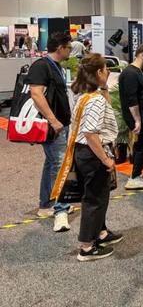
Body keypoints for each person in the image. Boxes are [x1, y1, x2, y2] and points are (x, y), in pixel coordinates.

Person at [70, 54, 123, 261]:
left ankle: (100, 232)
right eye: (105, 69)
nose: (108, 72)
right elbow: (90, 133)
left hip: (85, 153)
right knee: (94, 199)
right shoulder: (94, 100)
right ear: (99, 72)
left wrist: (104, 86)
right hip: (92, 153)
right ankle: (86, 247)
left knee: (99, 196)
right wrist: (105, 159)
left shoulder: (86, 96)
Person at [25, 31, 74, 232]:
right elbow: (36, 94)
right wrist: (53, 120)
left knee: (52, 163)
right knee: (59, 166)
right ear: (60, 48)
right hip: (53, 125)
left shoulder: (56, 66)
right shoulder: (41, 65)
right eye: (69, 47)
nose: (71, 51)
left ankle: (46, 205)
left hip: (60, 124)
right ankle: (59, 208)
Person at [118, 44, 143, 190]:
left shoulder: (139, 71)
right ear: (142, 55)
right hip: (139, 117)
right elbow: (131, 99)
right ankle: (134, 178)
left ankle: (138, 173)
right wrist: (137, 120)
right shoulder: (130, 73)